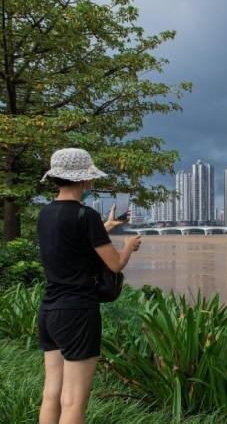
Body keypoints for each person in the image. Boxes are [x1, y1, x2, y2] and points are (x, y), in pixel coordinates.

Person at [37, 148, 142, 424]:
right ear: (86, 180)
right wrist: (129, 246)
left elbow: (70, 243)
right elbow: (116, 264)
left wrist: (104, 227)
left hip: (49, 310)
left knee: (52, 394)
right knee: (73, 403)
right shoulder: (86, 215)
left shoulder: (45, 214)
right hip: (78, 314)